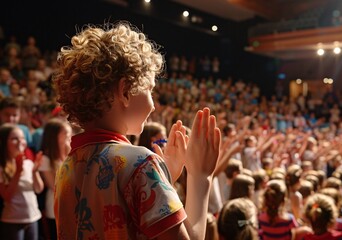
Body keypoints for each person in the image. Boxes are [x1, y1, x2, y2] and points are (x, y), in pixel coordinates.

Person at [53, 22, 221, 240]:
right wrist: (201, 176)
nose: (153, 105)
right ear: (124, 91)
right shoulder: (140, 163)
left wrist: (163, 181)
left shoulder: (67, 166)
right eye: (150, 89)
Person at [0, 123, 44, 240]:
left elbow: (39, 189)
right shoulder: (2, 167)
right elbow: (7, 196)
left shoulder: (28, 163)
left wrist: (35, 172)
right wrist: (18, 172)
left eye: (22, 138)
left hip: (33, 217)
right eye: (14, 139)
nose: (20, 142)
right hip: (13, 220)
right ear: (4, 142)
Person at [38, 118, 72, 240]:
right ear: (54, 136)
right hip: (55, 208)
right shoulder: (45, 159)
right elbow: (54, 185)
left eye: (70, 133)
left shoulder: (70, 154)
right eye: (66, 134)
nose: (70, 137)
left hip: (71, 206)